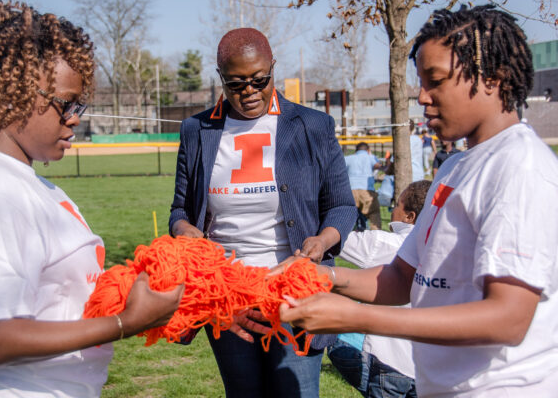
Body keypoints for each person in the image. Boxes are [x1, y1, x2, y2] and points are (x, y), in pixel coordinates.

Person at [277, 5, 558, 396]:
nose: (421, 96)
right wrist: (326, 278)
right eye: (420, 81)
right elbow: (403, 279)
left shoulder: (520, 168)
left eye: (436, 80)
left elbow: (508, 319)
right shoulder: (455, 167)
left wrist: (355, 318)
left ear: (492, 79)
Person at [0, 0, 184, 398]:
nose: (75, 117)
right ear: (9, 95)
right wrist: (126, 323)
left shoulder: (25, 183)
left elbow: (59, 297)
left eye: (79, 106)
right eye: (65, 104)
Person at [169, 27, 357, 398]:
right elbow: (179, 209)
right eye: (237, 83)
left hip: (293, 289)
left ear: (273, 68)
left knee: (297, 393)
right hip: (227, 296)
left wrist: (322, 240)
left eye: (260, 80)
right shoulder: (196, 129)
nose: (250, 92)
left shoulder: (312, 126)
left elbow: (341, 206)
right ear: (220, 77)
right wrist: (182, 229)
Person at [328, 180, 431, 398]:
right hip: (426, 367)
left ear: (409, 217)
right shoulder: (442, 252)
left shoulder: (384, 243)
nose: (392, 209)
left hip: (388, 361)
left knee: (335, 343)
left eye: (397, 204)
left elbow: (336, 239)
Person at [345, 142, 382, 230]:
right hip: (367, 191)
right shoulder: (370, 157)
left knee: (347, 217)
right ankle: (375, 236)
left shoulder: (348, 158)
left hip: (350, 191)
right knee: (374, 214)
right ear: (368, 150)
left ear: (356, 150)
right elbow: (378, 166)